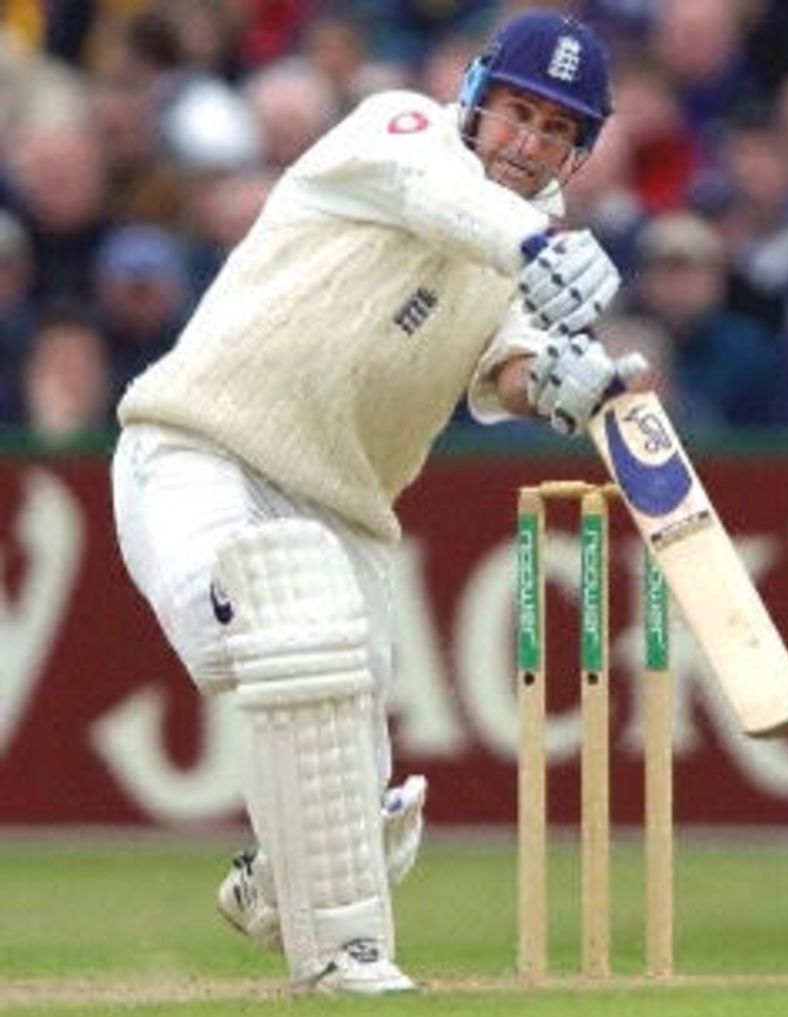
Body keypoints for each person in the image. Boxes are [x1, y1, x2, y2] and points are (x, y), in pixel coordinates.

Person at [110, 10, 644, 996]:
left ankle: (318, 924)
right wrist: (536, 244)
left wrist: (558, 386)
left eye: (554, 130)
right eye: (515, 114)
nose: (526, 143)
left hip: (344, 515)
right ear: (477, 100)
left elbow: (507, 362)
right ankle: (312, 876)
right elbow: (441, 201)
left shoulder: (509, 261)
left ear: (579, 147)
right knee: (286, 625)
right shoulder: (394, 133)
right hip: (199, 450)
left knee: (350, 792)